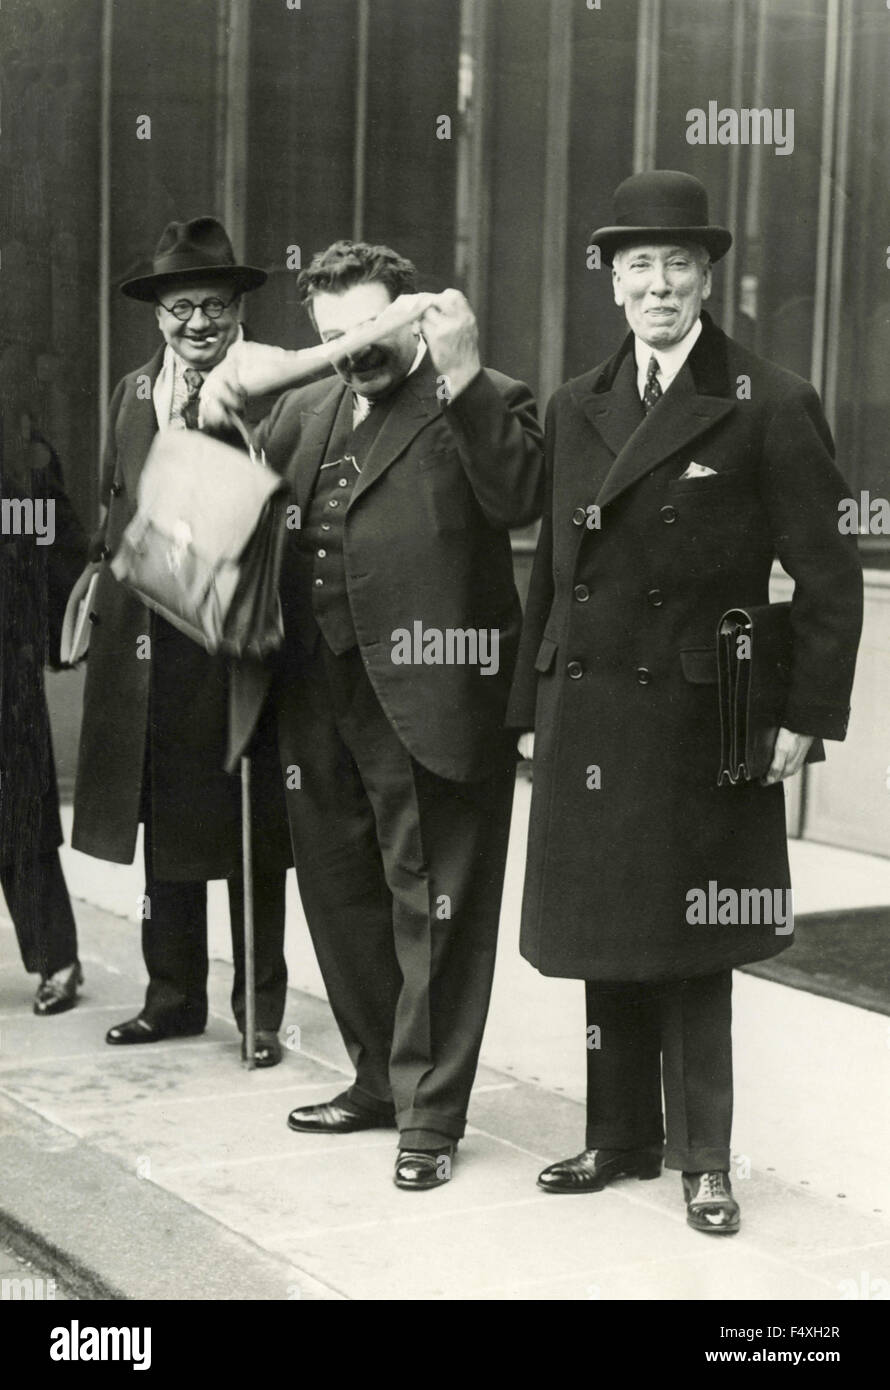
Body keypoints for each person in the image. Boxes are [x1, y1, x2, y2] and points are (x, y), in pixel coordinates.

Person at [507, 171, 863, 1234]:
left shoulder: (769, 399)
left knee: (695, 940)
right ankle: (616, 1136)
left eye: (673, 266)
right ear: (611, 285)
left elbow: (829, 577)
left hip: (707, 715)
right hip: (587, 711)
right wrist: (528, 703)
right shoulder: (575, 403)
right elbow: (550, 569)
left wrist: (806, 715)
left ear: (704, 277)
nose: (654, 287)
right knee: (601, 928)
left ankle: (703, 1158)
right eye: (634, 268)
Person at [202, 240, 544, 1188]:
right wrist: (226, 415)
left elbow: (520, 496)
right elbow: (222, 496)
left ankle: (430, 1118)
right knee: (341, 896)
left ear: (417, 314)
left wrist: (466, 371)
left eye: (371, 327)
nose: (353, 350)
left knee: (432, 907)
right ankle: (376, 1081)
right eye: (331, 335)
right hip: (312, 694)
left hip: (432, 695)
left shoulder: (485, 395)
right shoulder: (305, 409)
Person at [72, 217, 292, 1066]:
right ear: (155, 317)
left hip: (231, 636)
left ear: (239, 309)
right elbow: (112, 500)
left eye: (214, 307)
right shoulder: (133, 391)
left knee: (248, 832)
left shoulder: (267, 386)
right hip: (143, 642)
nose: (198, 325)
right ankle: (171, 997)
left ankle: (259, 1012)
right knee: (160, 818)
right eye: (180, 310)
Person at [0, 421, 86, 1014]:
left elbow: (44, 545)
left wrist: (41, 636)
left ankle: (57, 958)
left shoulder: (17, 451)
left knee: (20, 813)